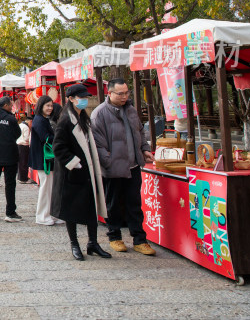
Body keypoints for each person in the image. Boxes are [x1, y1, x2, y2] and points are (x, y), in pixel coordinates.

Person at [91, 78, 157, 256]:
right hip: (113, 167)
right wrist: (109, 161)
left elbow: (139, 132)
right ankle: (114, 236)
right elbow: (98, 145)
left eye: (126, 93)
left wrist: (144, 149)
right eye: (120, 93)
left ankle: (139, 240)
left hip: (133, 165)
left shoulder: (131, 110)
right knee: (113, 204)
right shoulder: (100, 114)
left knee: (134, 203)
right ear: (109, 93)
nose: (124, 96)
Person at [52, 84, 110, 261]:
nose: (84, 100)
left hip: (88, 172)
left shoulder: (83, 118)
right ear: (70, 99)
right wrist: (74, 163)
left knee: (91, 207)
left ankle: (93, 242)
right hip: (72, 174)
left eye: (85, 97)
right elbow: (58, 147)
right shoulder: (65, 121)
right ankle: (74, 244)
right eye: (80, 97)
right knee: (72, 210)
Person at [30, 96, 61, 226]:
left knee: (49, 188)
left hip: (47, 159)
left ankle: (50, 214)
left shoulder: (43, 120)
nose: (50, 108)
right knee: (45, 188)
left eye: (51, 105)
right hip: (43, 159)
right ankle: (42, 216)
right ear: (41, 106)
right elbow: (46, 138)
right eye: (47, 105)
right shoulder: (39, 120)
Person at [16, 115, 32, 184]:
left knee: (20, 163)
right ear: (30, 121)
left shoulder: (20, 125)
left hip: (18, 144)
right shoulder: (26, 127)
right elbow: (26, 138)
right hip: (23, 145)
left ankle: (20, 177)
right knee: (24, 163)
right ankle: (23, 179)